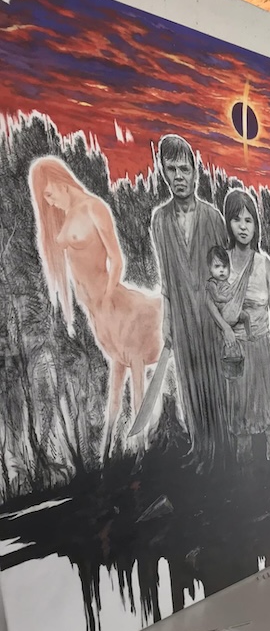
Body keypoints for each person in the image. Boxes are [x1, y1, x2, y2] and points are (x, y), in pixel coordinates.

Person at [30, 156, 162, 459]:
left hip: (113, 304)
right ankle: (108, 450)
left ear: (59, 182)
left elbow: (117, 260)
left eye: (48, 193)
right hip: (95, 311)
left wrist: (104, 298)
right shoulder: (64, 216)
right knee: (116, 374)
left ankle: (141, 448)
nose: (48, 201)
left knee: (132, 365)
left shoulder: (93, 208)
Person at [150, 134, 228, 471]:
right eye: (172, 169)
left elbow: (225, 271)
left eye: (185, 169)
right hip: (181, 312)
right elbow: (166, 276)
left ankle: (220, 451)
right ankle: (200, 447)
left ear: (195, 172)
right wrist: (167, 319)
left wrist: (226, 314)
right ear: (163, 172)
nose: (179, 176)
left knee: (215, 379)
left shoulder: (212, 217)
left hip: (211, 311)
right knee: (189, 380)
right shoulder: (160, 220)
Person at [222, 189, 270, 465]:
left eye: (249, 220)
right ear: (229, 223)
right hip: (237, 353)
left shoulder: (264, 263)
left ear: (256, 225)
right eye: (237, 220)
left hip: (263, 347)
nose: (243, 227)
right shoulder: (222, 264)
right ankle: (245, 480)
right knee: (242, 430)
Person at [205, 245, 251, 355]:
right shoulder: (212, 284)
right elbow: (216, 297)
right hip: (224, 314)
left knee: (246, 316)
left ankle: (249, 334)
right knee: (227, 341)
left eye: (225, 267)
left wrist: (235, 299)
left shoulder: (227, 283)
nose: (222, 270)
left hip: (233, 312)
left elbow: (235, 295)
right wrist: (226, 298)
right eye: (217, 266)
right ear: (210, 268)